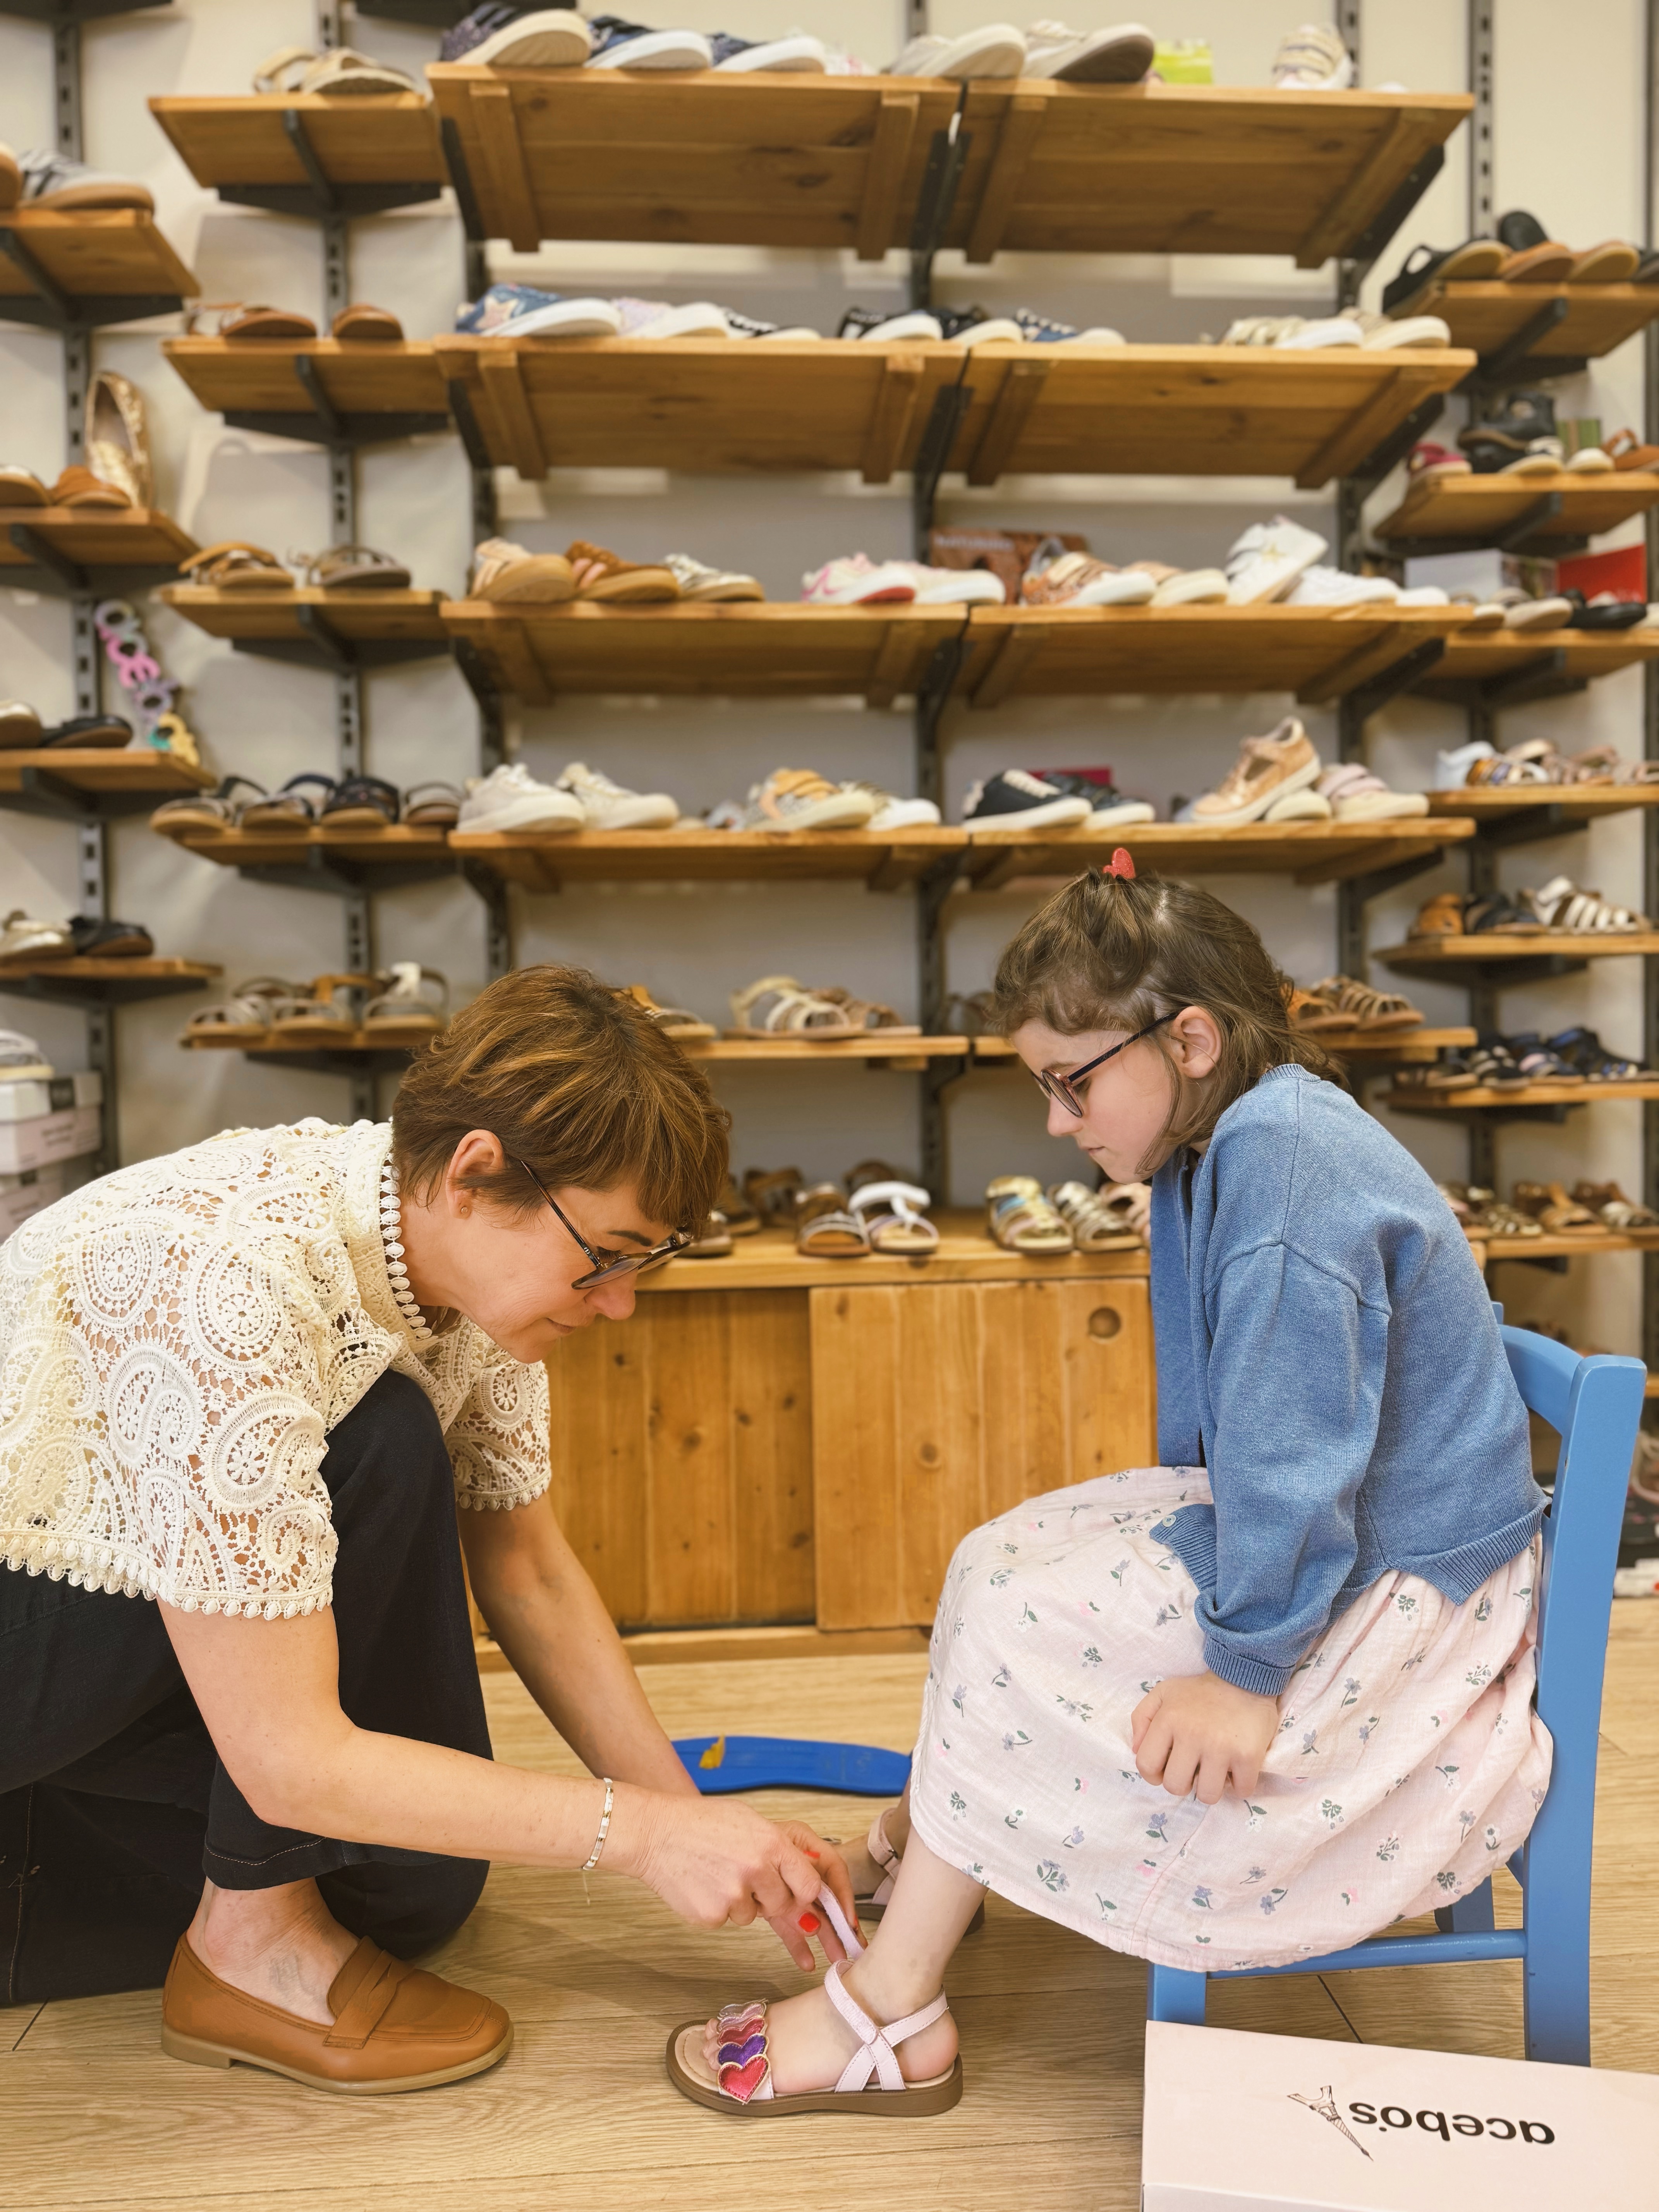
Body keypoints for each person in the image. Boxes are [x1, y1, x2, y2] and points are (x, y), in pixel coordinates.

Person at [665, 859, 1549, 2115]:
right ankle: (939, 1837)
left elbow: (1297, 1461)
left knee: (1027, 1619)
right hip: (1355, 1531)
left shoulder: (1282, 1169)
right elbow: (1271, 1441)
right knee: (995, 1559)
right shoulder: (1240, 1137)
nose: (1054, 1120)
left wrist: (1247, 1675)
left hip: (1396, 1583)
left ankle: (893, 2005)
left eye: (1071, 1081)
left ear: (1187, 1038)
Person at [1, 965, 856, 2094]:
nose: (618, 1302)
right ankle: (246, 1948)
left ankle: (184, 1900)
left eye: (643, 1261)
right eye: (604, 1254)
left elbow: (529, 1570)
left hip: (121, 1638)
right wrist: (642, 1840)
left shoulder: (437, 1265)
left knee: (413, 1892)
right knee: (382, 1429)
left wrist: (692, 1832)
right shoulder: (226, 1282)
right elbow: (292, 1762)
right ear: (475, 1171)